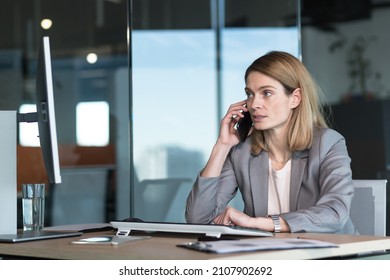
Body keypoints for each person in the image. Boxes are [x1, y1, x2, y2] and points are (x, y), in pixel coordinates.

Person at [185, 51, 358, 234]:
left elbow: (335, 213)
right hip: (271, 255)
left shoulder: (328, 143)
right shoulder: (242, 151)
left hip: (332, 254)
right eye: (249, 94)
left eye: (266, 93)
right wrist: (222, 146)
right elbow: (197, 219)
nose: (254, 104)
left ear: (295, 98)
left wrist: (257, 223)